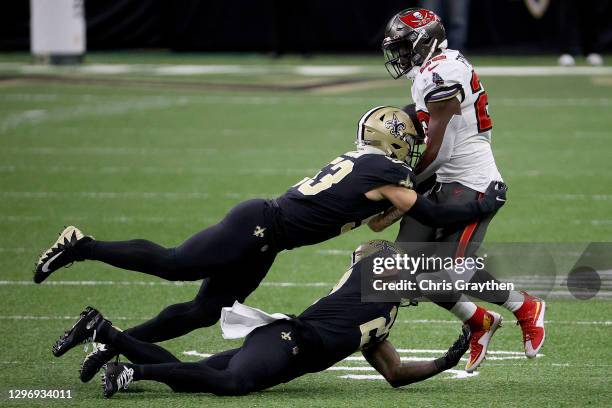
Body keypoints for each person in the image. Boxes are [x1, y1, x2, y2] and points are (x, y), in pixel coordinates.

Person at [35, 106, 506, 381]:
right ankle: (81, 245)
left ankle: (114, 343)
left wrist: (410, 201)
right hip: (259, 226)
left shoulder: (373, 168)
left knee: (203, 311)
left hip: (268, 239)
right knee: (176, 264)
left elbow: (381, 223)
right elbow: (436, 214)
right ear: (398, 140)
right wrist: (483, 203)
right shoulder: (386, 170)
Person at [51, 240, 471, 398]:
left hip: (286, 354)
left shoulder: (384, 317)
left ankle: (102, 331)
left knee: (189, 375)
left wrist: (443, 363)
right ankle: (133, 373)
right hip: (288, 339)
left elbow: (394, 373)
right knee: (233, 384)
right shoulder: (368, 278)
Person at [381, 8, 545, 360]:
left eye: (406, 46)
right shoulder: (433, 69)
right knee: (407, 271)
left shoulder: (442, 73)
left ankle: (525, 306)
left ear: (426, 41)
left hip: (472, 185)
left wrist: (402, 184)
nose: (402, 55)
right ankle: (480, 321)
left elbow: (440, 152)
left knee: (448, 277)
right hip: (444, 184)